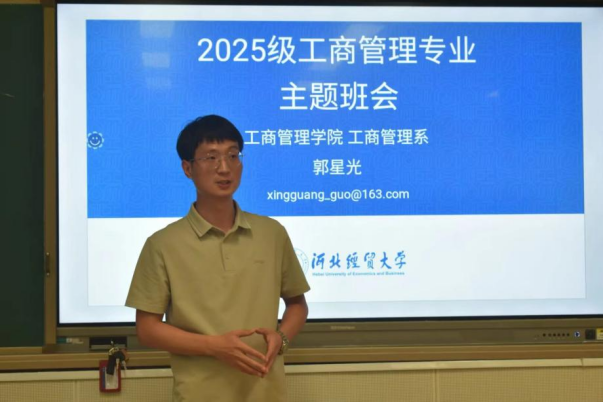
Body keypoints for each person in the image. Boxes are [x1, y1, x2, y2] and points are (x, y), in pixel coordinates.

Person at [126, 115, 311, 402]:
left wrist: (281, 337)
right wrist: (214, 346)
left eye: (233, 156)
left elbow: (297, 304)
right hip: (199, 394)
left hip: (266, 393)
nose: (224, 168)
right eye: (211, 157)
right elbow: (147, 329)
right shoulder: (163, 244)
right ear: (187, 168)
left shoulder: (272, 233)